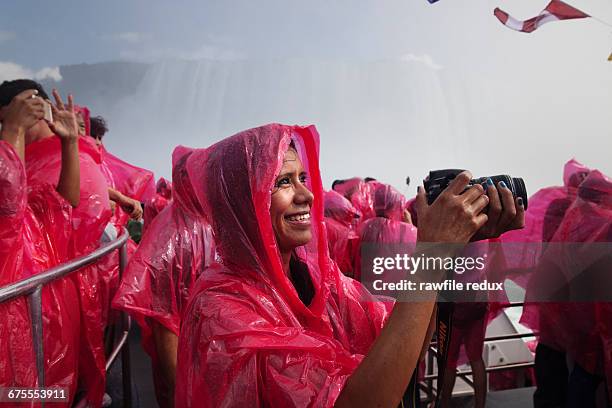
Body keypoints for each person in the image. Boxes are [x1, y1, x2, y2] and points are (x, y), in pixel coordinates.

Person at [174, 123, 524, 407]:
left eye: (302, 178)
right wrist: (431, 256)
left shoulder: (315, 279)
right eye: (282, 182)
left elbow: (409, 346)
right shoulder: (219, 310)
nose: (307, 195)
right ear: (242, 203)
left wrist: (451, 251)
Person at [113, 147, 216, 408]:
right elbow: (164, 321)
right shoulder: (172, 235)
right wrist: (180, 389)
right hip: (184, 363)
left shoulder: (206, 223)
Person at [0, 84, 83, 404]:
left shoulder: (29, 184)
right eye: (29, 106)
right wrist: (13, 128)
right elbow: (8, 200)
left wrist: (71, 142)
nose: (40, 117)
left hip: (36, 313)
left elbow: (66, 202)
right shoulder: (10, 169)